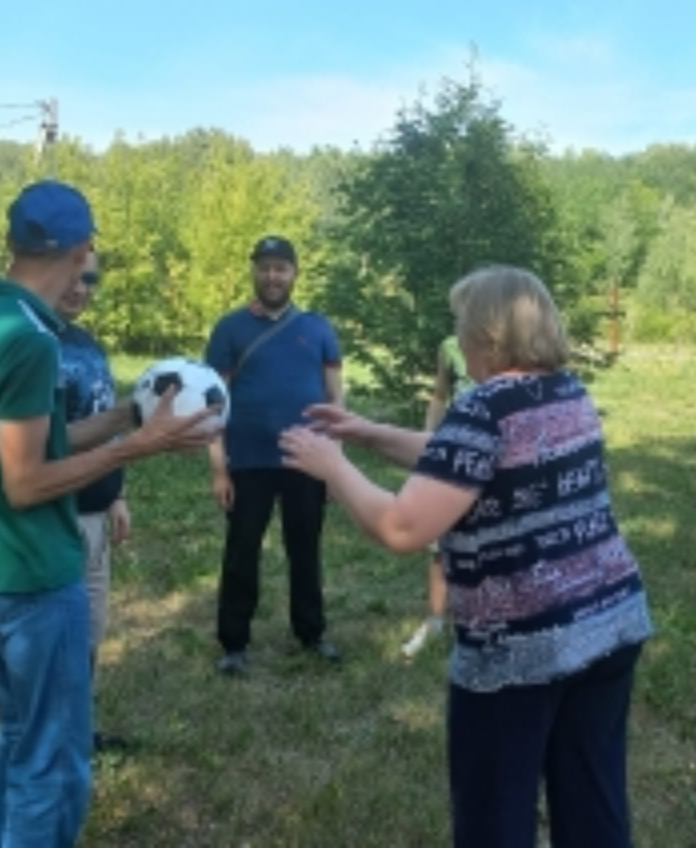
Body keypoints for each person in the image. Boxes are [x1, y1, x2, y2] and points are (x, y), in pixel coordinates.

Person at [279, 265, 654, 848]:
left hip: (522, 646)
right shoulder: (567, 391)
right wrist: (369, 433)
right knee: (593, 803)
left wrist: (334, 467)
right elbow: (463, 457)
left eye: (462, 324)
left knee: (493, 817)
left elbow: (403, 526)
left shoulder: (484, 408)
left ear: (489, 334)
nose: (457, 338)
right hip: (608, 624)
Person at [0, 180, 217, 845]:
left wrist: (127, 417)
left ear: (12, 243)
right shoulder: (31, 340)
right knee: (54, 765)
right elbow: (27, 481)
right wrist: (145, 446)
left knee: (18, 743)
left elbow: (42, 439)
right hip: (34, 573)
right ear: (83, 248)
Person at [205, 235, 344, 675]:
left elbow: (335, 399)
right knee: (242, 550)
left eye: (281, 268)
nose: (272, 276)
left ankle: (311, 632)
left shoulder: (319, 328)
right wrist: (218, 468)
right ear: (254, 272)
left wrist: (335, 464)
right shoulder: (229, 328)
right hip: (247, 460)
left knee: (305, 549)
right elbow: (211, 402)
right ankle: (234, 643)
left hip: (305, 458)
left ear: (294, 274)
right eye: (264, 267)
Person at [54, 248, 131, 754]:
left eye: (91, 278)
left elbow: (100, 424)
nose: (81, 287)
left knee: (88, 634)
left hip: (97, 514)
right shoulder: (32, 344)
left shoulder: (87, 344)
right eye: (73, 276)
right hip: (52, 515)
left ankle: (76, 732)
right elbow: (41, 443)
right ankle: (28, 742)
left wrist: (116, 493)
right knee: (45, 642)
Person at [399, 334, 476, 660]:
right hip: (454, 451)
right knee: (441, 541)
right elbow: (440, 395)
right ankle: (435, 621)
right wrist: (429, 440)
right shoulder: (450, 346)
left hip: (497, 453)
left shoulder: (515, 340)